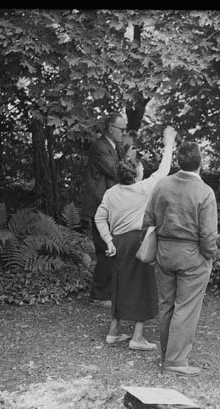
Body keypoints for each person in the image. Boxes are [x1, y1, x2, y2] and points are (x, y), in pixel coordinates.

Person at [94, 126, 177, 350]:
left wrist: (109, 240)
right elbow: (164, 170)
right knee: (143, 286)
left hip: (119, 244)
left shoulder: (111, 193)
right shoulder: (143, 189)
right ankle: (137, 338)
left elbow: (99, 218)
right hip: (139, 242)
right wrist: (169, 143)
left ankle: (113, 332)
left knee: (119, 285)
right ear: (137, 174)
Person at [143, 141, 218, 376]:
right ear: (201, 162)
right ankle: (175, 363)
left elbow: (147, 220)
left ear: (178, 161)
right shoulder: (204, 192)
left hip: (164, 252)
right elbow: (208, 235)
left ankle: (168, 355)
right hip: (192, 255)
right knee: (185, 307)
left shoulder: (163, 185)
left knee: (166, 305)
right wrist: (208, 255)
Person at [81, 113, 129, 307]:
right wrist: (130, 159)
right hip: (99, 207)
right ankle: (99, 296)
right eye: (121, 129)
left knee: (109, 249)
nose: (123, 133)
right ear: (111, 128)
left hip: (105, 206)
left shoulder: (110, 147)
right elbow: (116, 171)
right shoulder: (101, 147)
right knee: (104, 250)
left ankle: (107, 292)